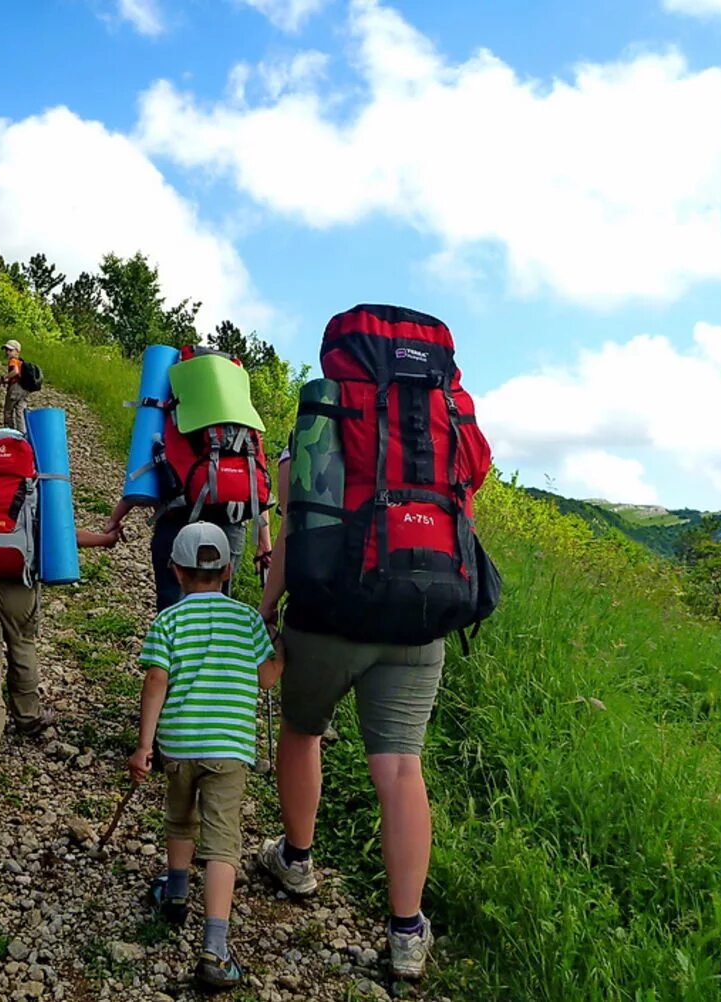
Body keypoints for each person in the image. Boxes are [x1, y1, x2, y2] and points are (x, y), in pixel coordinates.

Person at [256, 304, 493, 980]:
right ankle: (406, 933)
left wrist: (269, 610)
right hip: (423, 608)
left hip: (332, 610)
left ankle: (297, 861)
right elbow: (469, 491)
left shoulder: (326, 418)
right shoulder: (447, 416)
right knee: (400, 767)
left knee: (302, 730)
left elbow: (297, 528)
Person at [129, 522, 283, 991]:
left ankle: (176, 892)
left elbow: (155, 681)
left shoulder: (168, 621)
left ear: (176, 571)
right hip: (229, 748)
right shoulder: (247, 620)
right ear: (229, 569)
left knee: (179, 819)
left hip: (178, 743)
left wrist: (143, 746)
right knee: (222, 843)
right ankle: (214, 948)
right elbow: (267, 679)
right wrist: (281, 640)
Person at [0, 527, 121, 783]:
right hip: (20, 585)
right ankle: (28, 717)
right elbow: (63, 532)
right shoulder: (36, 490)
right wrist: (106, 539)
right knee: (22, 646)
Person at [105, 497, 270, 612]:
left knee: (172, 604)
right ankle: (216, 656)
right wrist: (264, 543)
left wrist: (115, 519)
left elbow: (142, 475)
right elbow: (257, 481)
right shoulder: (248, 618)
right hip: (229, 521)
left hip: (175, 518)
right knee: (218, 602)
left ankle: (171, 653)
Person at [0, 338, 30, 432]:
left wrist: (5, 378)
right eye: (6, 350)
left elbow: (15, 372)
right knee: (20, 411)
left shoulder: (13, 361)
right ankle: (22, 433)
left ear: (17, 351)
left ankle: (9, 431)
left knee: (8, 411)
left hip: (15, 388)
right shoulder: (21, 362)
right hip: (24, 389)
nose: (7, 352)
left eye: (10, 350)